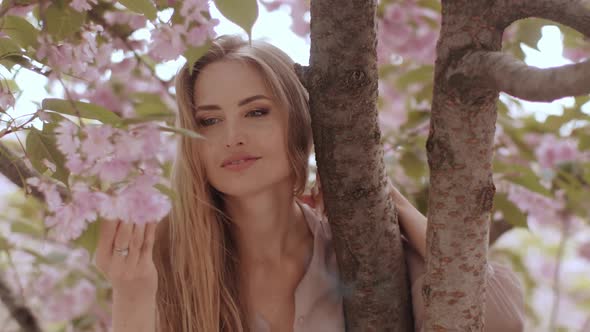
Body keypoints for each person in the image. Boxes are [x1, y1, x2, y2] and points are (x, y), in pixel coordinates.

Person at [95, 35, 525, 332]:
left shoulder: (359, 243)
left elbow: (498, 321)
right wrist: (131, 295)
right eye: (209, 120)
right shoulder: (165, 256)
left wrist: (396, 205)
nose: (232, 137)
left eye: (256, 111)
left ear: (298, 121)